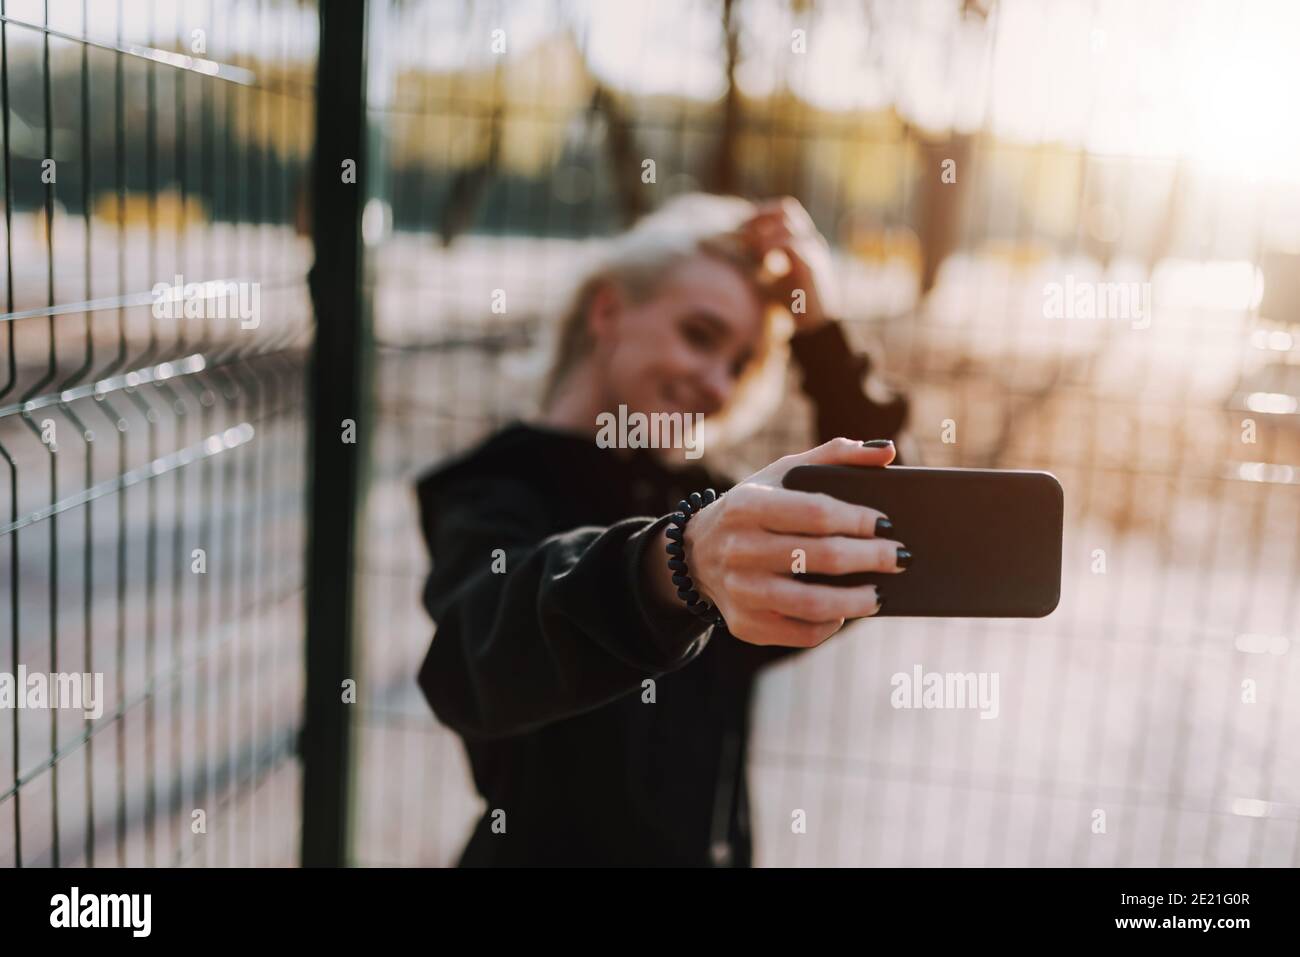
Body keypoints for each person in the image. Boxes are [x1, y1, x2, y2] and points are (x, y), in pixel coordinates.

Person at [415, 194, 910, 866]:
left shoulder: (715, 499)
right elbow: (476, 655)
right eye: (700, 335)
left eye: (740, 364)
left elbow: (885, 536)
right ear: (608, 310)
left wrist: (821, 335)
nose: (716, 383)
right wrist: (676, 562)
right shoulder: (497, 484)